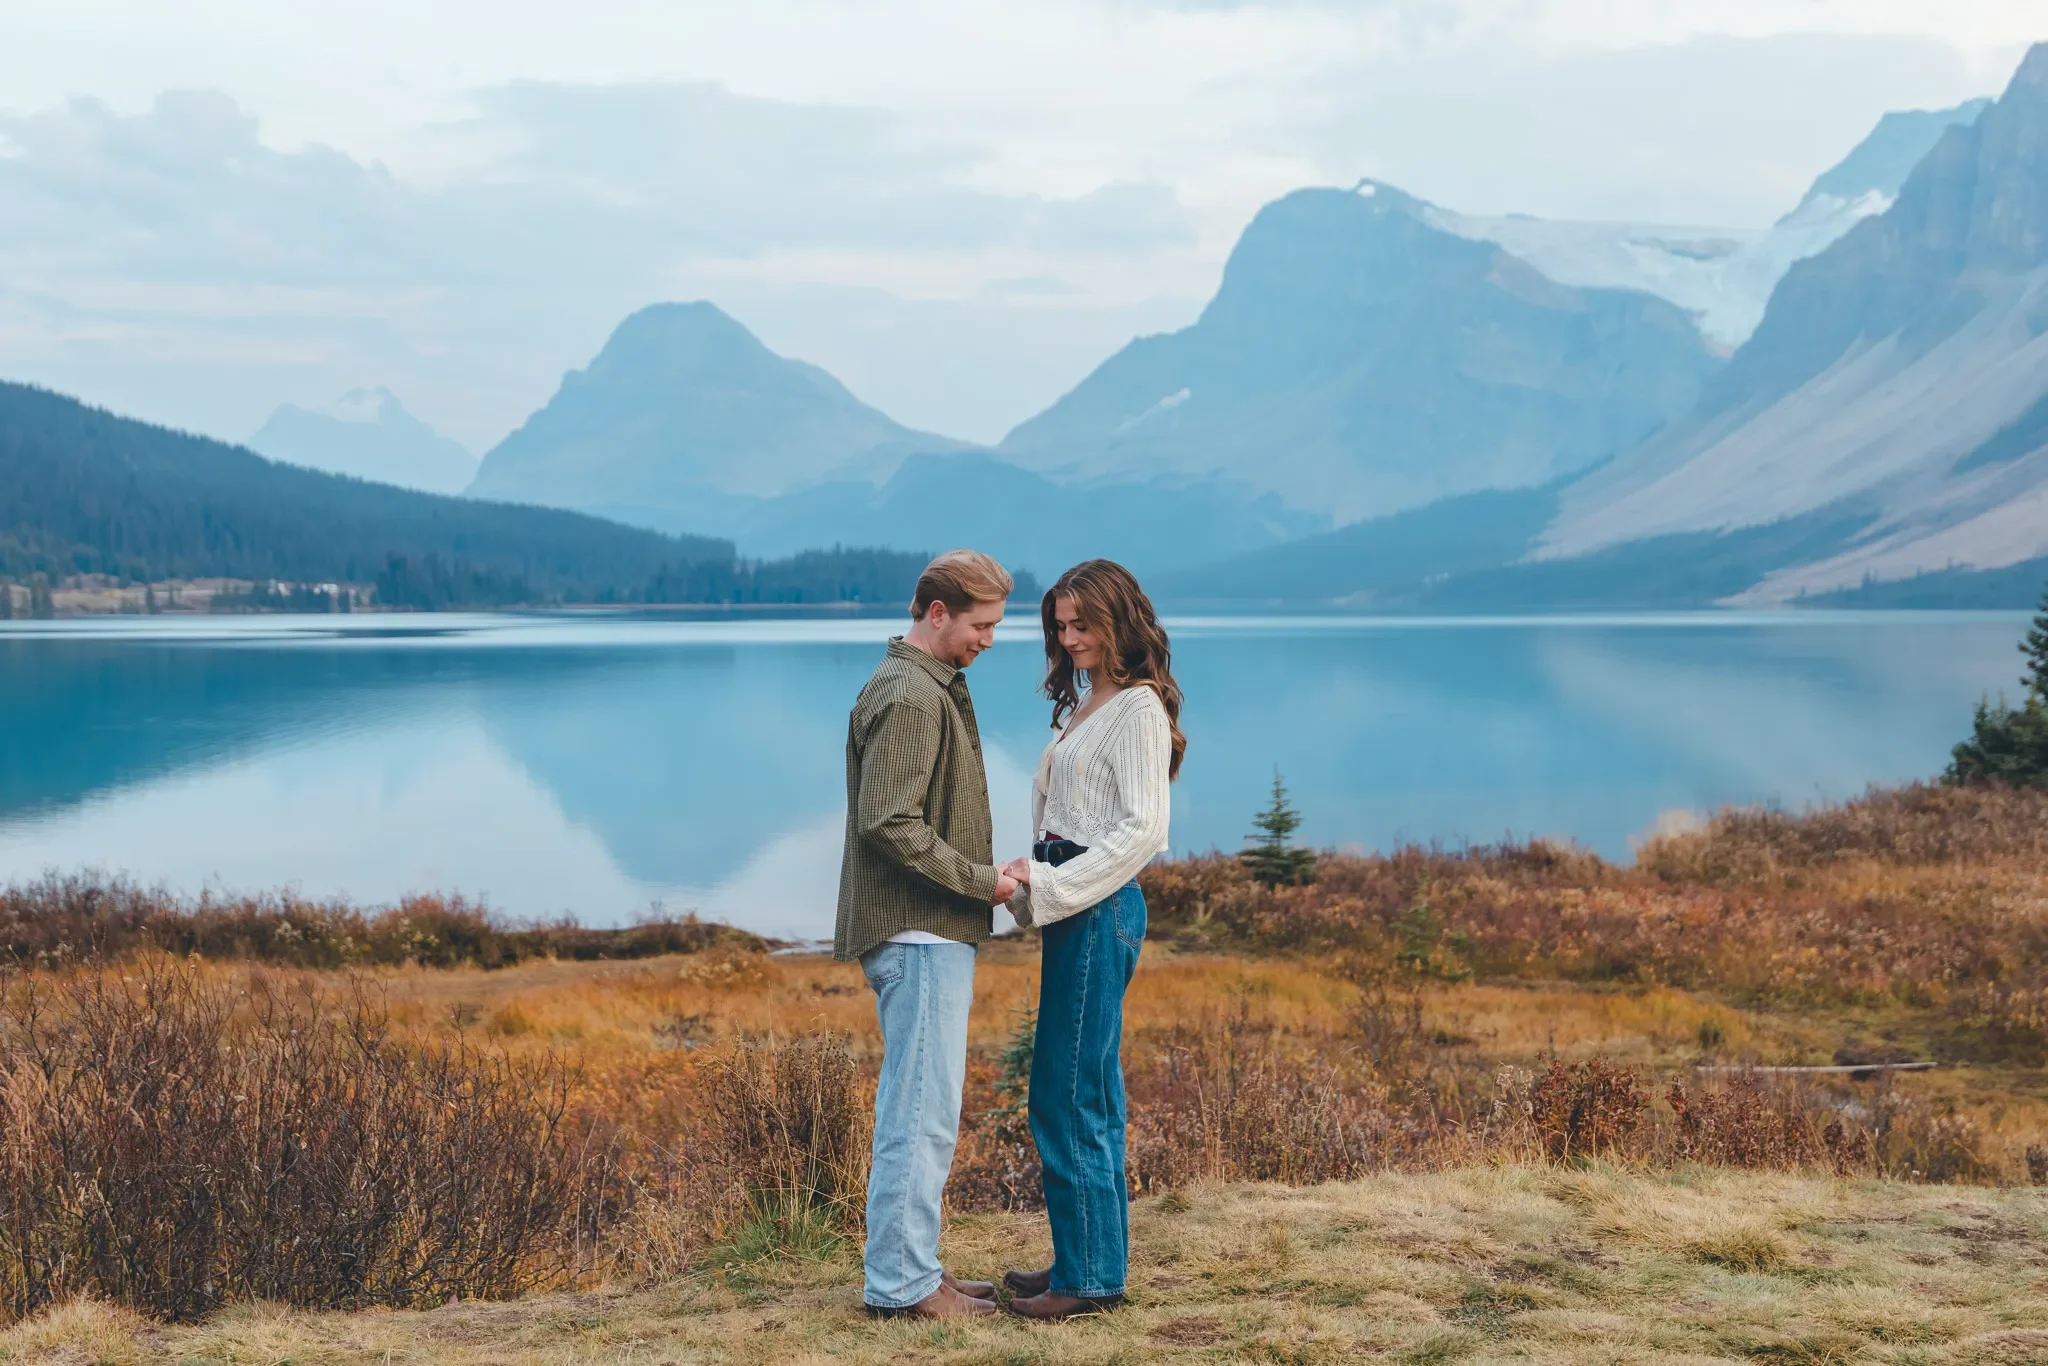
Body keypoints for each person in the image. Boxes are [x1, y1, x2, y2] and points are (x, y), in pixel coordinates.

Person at [834, 548, 1021, 1319]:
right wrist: (984, 882)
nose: (988, 639)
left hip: (929, 933)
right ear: (936, 613)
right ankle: (902, 1287)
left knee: (927, 1112)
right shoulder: (912, 695)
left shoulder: (928, 682)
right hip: (918, 936)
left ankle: (920, 1268)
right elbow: (890, 824)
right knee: (917, 1115)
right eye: (981, 625)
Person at [997, 559, 1186, 1321]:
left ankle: (1093, 1280)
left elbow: (1143, 831)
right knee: (1085, 1090)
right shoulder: (1090, 701)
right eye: (1062, 626)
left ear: (1120, 621)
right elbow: (1072, 822)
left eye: (1083, 625)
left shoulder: (1137, 708)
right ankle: (1081, 1262)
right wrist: (1031, 866)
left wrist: (1048, 887)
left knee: (1070, 1092)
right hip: (1077, 902)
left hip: (1099, 909)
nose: (1070, 639)